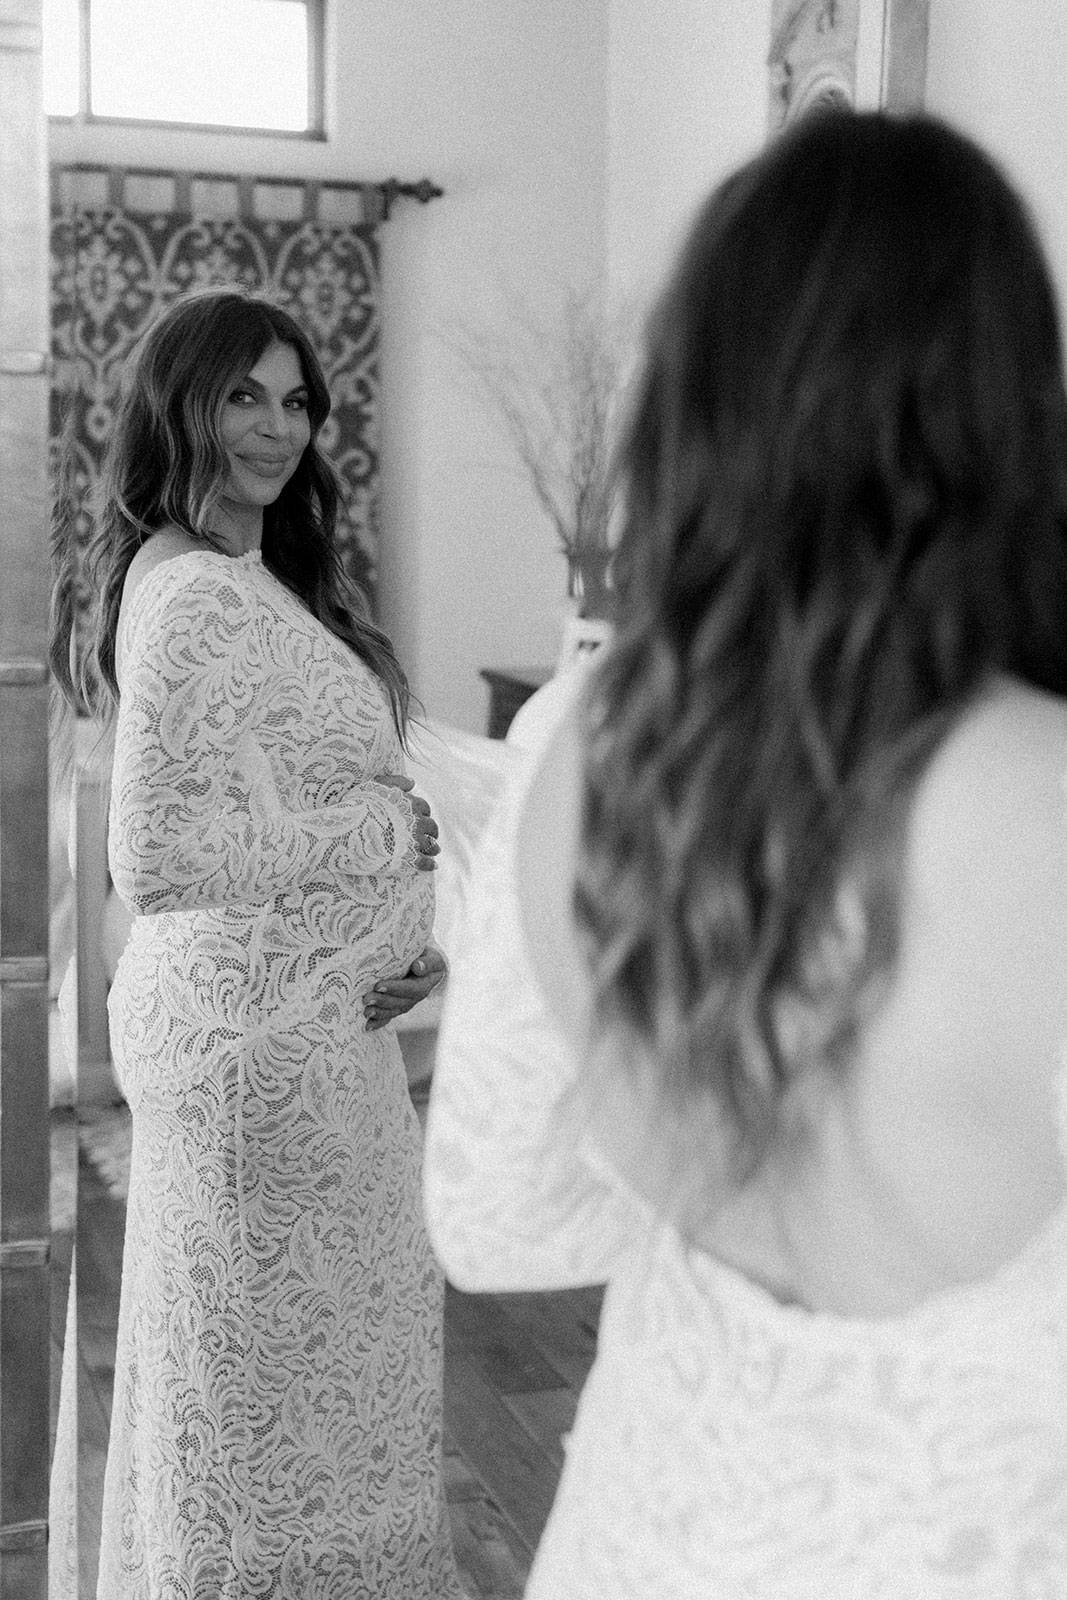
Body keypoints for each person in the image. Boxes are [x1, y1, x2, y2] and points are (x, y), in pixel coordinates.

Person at [423, 110, 1067, 1598]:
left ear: (697, 399)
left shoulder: (585, 735)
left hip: (651, 1536)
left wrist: (720, 1149)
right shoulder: (1040, 798)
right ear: (1012, 402)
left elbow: (494, 1219)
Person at [50, 287, 463, 1599]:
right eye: (244, 396)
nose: (278, 428)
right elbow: (157, 857)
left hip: (290, 1035)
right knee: (273, 1406)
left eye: (296, 400)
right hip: (253, 1069)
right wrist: (381, 838)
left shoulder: (237, 575)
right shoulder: (189, 591)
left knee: (279, 1391)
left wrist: (397, 942)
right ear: (183, 403)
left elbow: (272, 812)